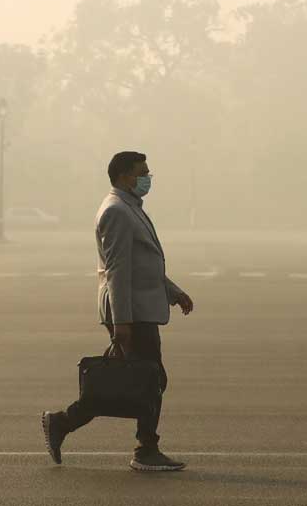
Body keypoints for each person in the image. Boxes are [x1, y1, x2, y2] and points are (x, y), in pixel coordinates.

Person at [41, 151, 195, 472]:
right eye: (143, 173)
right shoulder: (117, 212)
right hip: (131, 314)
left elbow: (141, 266)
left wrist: (174, 292)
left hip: (139, 310)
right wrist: (121, 322)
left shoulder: (128, 208)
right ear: (125, 176)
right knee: (149, 380)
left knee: (140, 380)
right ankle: (145, 448)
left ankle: (64, 423)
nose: (147, 178)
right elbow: (117, 272)